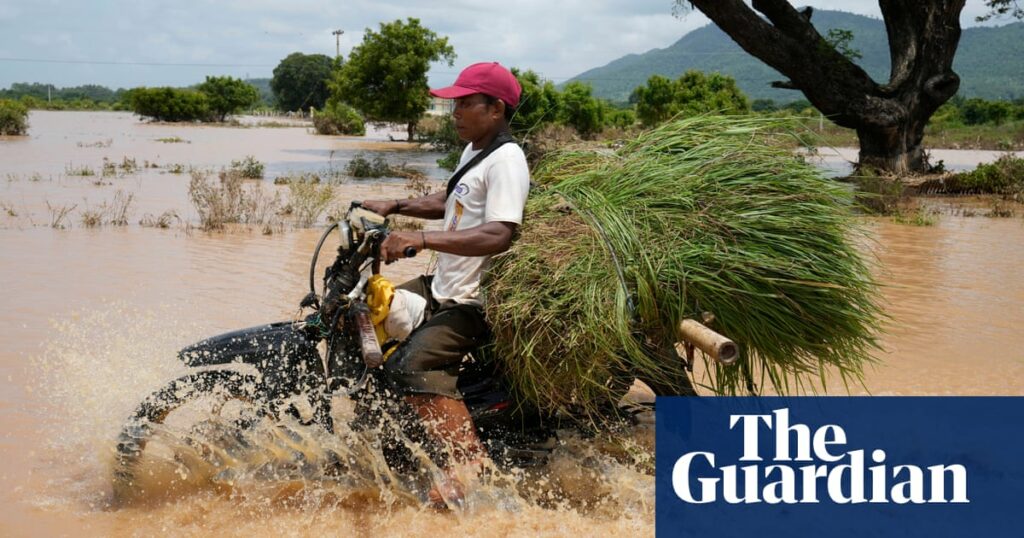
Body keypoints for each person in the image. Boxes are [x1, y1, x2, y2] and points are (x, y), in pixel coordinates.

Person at [360, 62, 530, 508]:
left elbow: (500, 233)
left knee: (410, 366)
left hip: (473, 300)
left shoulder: (507, 160)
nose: (453, 111)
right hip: (443, 283)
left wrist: (418, 238)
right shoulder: (475, 151)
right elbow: (449, 199)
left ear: (495, 108)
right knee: (366, 318)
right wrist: (397, 203)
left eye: (464, 103)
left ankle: (468, 461)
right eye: (453, 103)